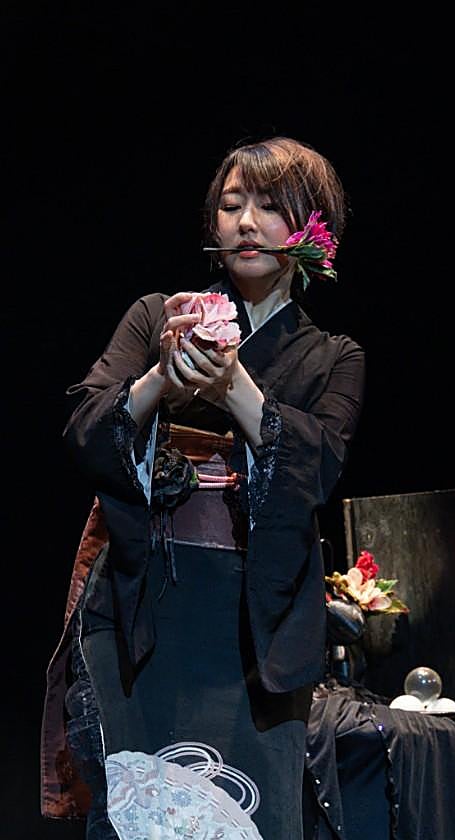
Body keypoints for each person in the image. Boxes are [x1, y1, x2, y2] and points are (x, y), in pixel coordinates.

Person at [41, 136, 366, 839]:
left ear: (314, 229)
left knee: (248, 817)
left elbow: (316, 471)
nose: (245, 222)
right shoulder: (158, 316)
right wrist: (159, 378)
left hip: (254, 630)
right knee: (138, 813)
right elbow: (85, 433)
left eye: (270, 206)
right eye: (231, 204)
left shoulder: (334, 356)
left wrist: (234, 386)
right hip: (143, 613)